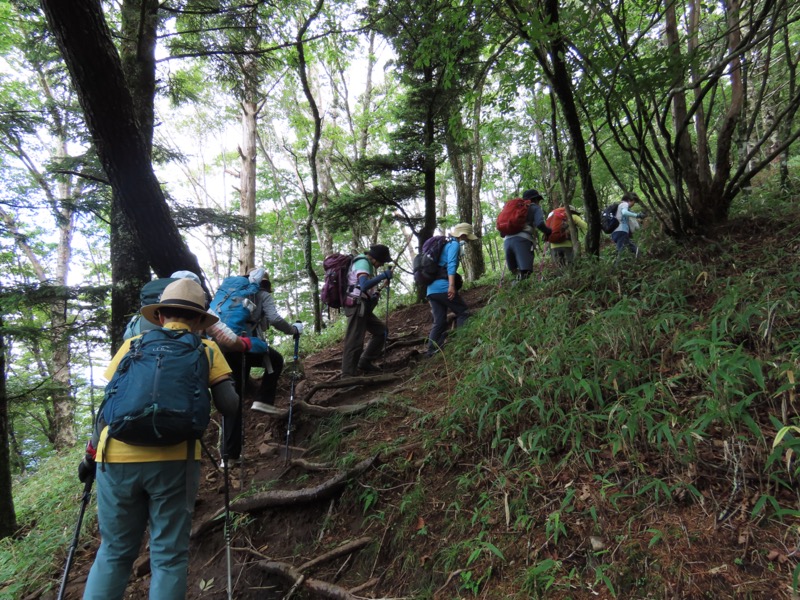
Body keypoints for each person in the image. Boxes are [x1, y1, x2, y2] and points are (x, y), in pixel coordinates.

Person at [81, 279, 238, 600]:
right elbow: (230, 405)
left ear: (161, 315)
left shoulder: (133, 345)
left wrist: (89, 458)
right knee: (168, 556)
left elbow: (106, 409)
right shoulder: (206, 349)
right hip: (175, 460)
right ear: (198, 320)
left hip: (116, 458)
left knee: (114, 552)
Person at [220, 268, 302, 463]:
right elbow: (274, 319)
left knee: (234, 400)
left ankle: (228, 457)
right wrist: (293, 330)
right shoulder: (263, 295)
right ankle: (263, 401)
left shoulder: (230, 296)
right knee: (276, 360)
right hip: (247, 347)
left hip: (226, 348)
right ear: (266, 283)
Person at [341, 244, 393, 377]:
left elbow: (364, 289)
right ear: (375, 258)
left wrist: (377, 292)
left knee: (382, 332)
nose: (381, 265)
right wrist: (383, 276)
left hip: (363, 306)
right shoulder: (363, 262)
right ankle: (347, 376)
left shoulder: (367, 264)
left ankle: (365, 361)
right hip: (357, 306)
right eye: (382, 261)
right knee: (355, 341)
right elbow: (363, 286)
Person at [426, 223, 475, 357]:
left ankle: (432, 351)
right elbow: (451, 265)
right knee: (463, 312)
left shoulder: (443, 245)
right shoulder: (454, 245)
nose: (467, 240)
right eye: (467, 237)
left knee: (439, 321)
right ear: (463, 235)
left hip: (431, 289)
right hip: (442, 286)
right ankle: (462, 344)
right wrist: (451, 286)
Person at [504, 188, 552, 280]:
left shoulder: (514, 209)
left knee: (516, 272)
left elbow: (502, 233)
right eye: (539, 200)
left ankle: (517, 289)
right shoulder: (535, 207)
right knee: (526, 272)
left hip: (507, 241)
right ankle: (526, 290)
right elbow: (540, 223)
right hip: (522, 241)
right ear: (536, 199)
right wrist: (548, 231)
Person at [611, 192, 645, 263]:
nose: (633, 204)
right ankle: (617, 269)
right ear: (630, 200)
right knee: (621, 253)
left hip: (617, 232)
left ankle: (641, 258)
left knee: (631, 246)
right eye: (634, 202)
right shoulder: (624, 204)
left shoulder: (619, 206)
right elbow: (624, 212)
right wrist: (638, 215)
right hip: (621, 231)